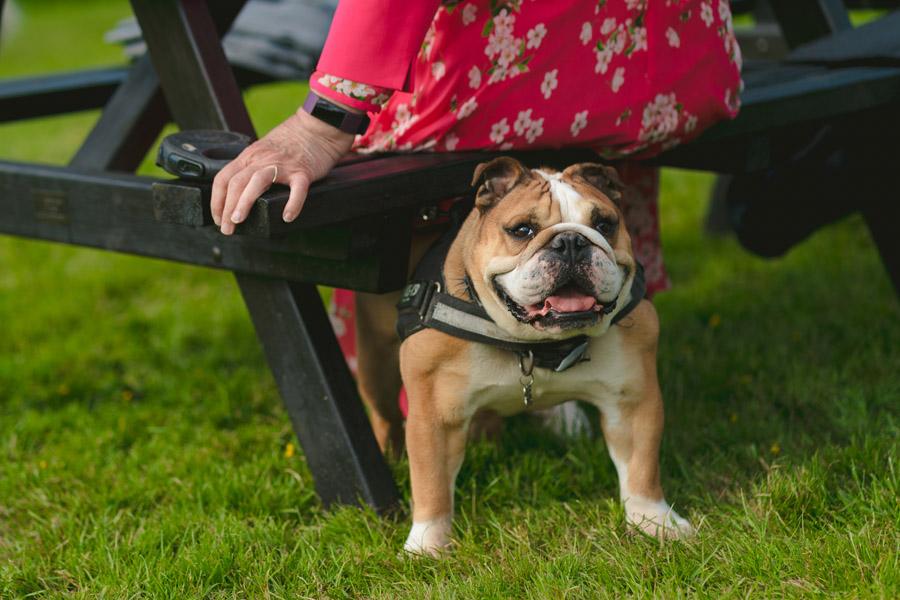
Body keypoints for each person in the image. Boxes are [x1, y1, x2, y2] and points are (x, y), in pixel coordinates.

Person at [210, 0, 743, 442]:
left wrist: (327, 119)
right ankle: (520, 370)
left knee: (409, 132)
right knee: (579, 196)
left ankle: (466, 381)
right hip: (666, 65)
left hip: (504, 64)